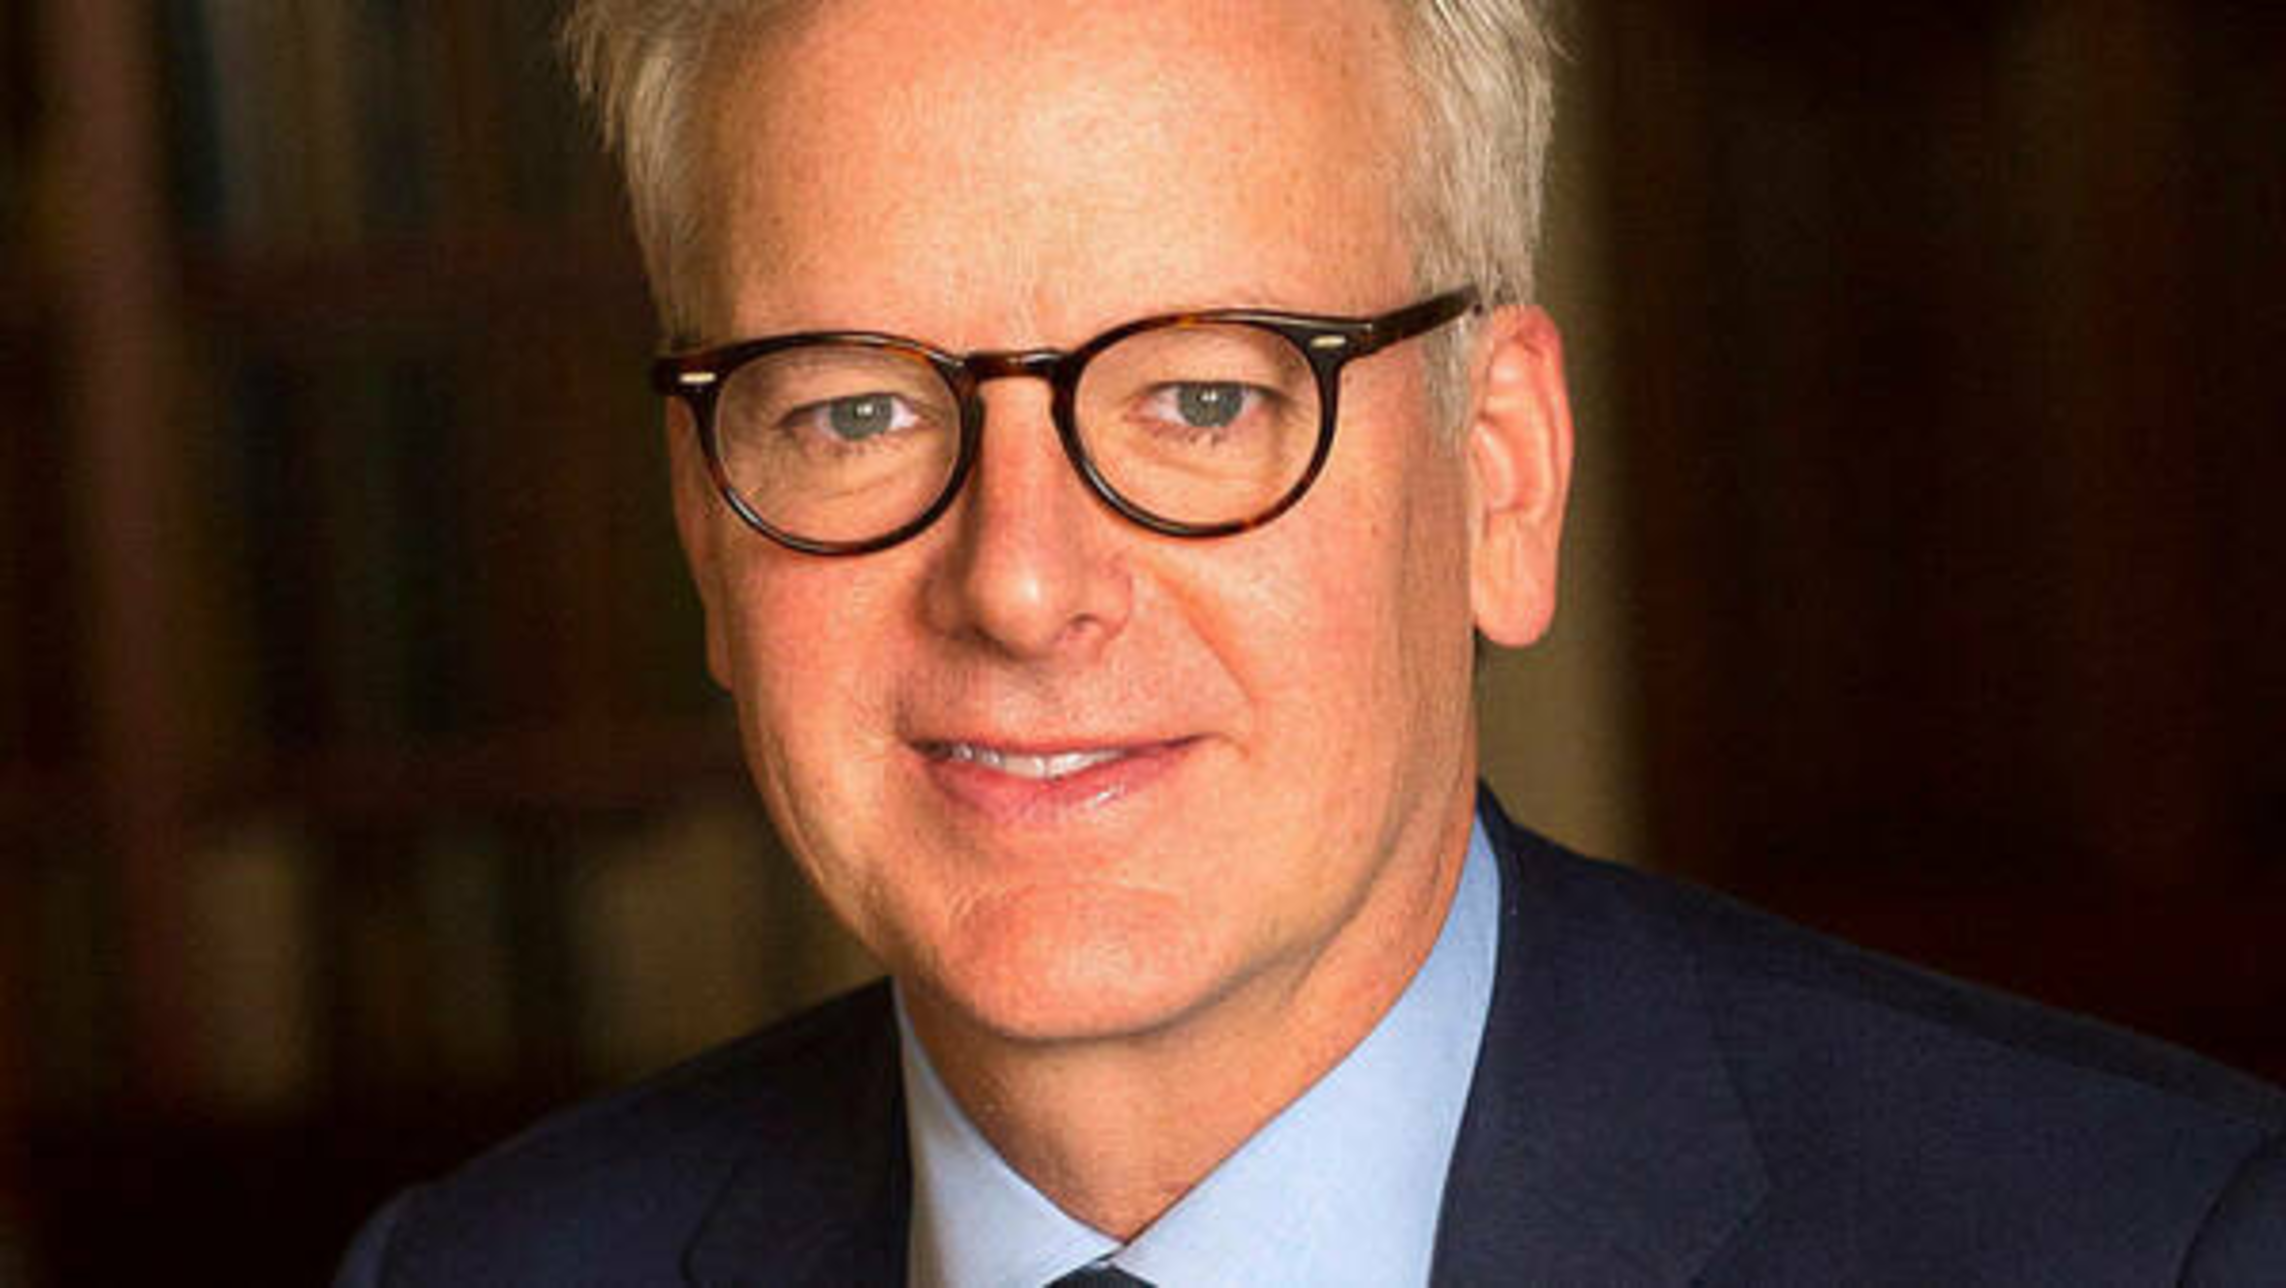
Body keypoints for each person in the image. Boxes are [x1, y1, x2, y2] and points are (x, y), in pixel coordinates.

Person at [337, 0, 2285, 1283]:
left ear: (1500, 479)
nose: (1018, 581)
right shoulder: (478, 1272)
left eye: (1202, 397)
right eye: (856, 412)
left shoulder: (2148, 1248)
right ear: (705, 533)